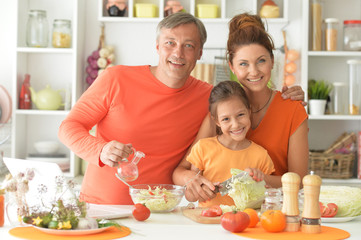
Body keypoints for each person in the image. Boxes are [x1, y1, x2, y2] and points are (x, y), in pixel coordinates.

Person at [58, 12, 305, 205]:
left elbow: (240, 108)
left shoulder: (209, 97)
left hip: (164, 209)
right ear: (157, 46)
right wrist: (100, 150)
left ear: (199, 53)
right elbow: (68, 127)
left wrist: (290, 95)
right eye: (170, 43)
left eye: (188, 45)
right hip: (105, 205)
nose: (178, 52)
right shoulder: (115, 78)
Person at [173, 13, 309, 203]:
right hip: (222, 213)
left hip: (272, 212)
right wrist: (193, 180)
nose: (254, 71)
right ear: (232, 67)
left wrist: (257, 180)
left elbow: (300, 181)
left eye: (261, 61)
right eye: (243, 64)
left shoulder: (293, 110)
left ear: (272, 60)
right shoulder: (221, 112)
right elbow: (180, 171)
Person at [184, 80, 275, 207]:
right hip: (209, 219)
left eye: (240, 115)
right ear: (216, 121)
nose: (236, 124)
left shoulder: (261, 155)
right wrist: (201, 191)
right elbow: (190, 195)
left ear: (249, 111)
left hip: (247, 221)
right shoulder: (202, 148)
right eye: (226, 119)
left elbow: (270, 194)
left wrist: (262, 179)